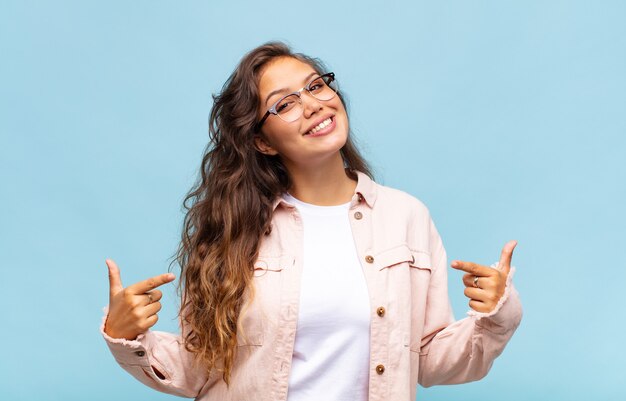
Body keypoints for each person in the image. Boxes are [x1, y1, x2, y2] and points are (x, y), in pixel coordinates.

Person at [101, 42, 522, 401]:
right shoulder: (233, 229)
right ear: (262, 141)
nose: (314, 104)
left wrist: (495, 318)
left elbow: (428, 359)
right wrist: (128, 339)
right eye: (285, 104)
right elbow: (199, 369)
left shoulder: (405, 216)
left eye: (316, 85)